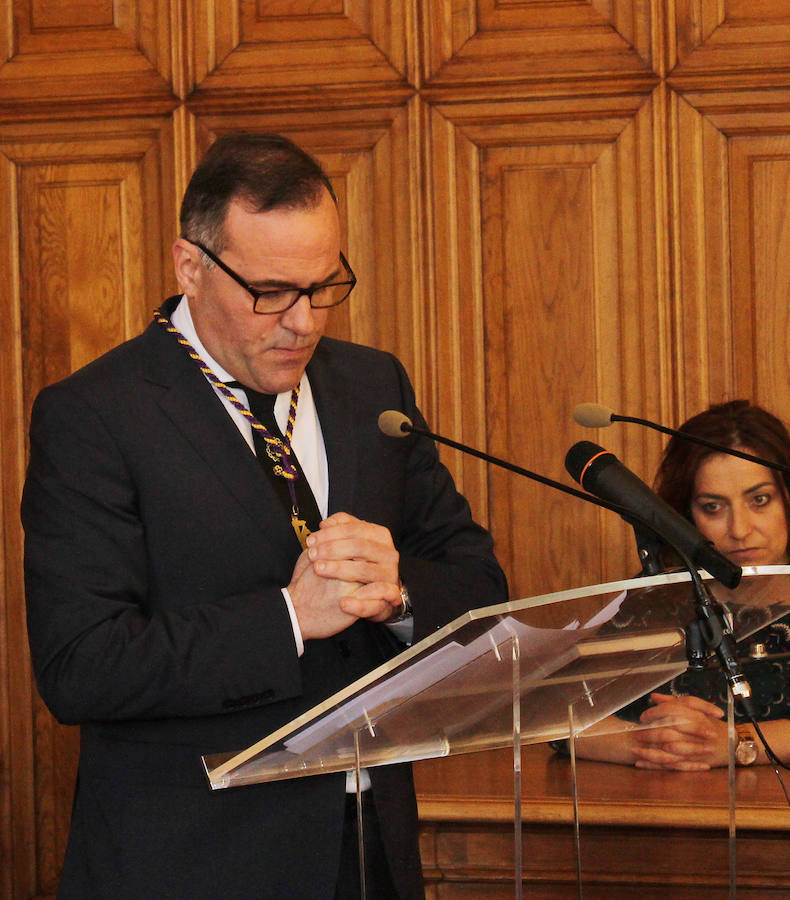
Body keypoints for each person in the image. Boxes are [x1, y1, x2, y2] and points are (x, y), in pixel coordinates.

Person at [21, 132, 508, 899]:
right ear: (191, 266)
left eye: (324, 286)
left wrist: (403, 592)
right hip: (195, 866)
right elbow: (81, 666)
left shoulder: (372, 386)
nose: (304, 322)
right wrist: (286, 618)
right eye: (271, 291)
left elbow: (479, 584)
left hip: (371, 854)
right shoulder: (96, 416)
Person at [560, 400, 790, 771]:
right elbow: (557, 716)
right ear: (684, 514)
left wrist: (735, 744)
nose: (740, 529)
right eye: (713, 507)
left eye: (759, 500)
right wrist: (643, 744)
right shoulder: (660, 595)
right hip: (659, 809)